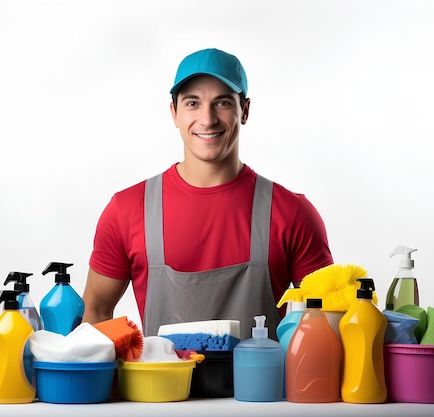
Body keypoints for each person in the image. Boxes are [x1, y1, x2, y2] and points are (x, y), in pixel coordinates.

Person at [82, 48, 333, 339]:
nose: (207, 119)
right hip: (160, 385)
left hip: (263, 386)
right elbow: (96, 312)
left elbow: (326, 322)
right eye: (192, 103)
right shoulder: (127, 210)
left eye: (222, 102)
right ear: (174, 113)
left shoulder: (291, 212)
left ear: (245, 110)